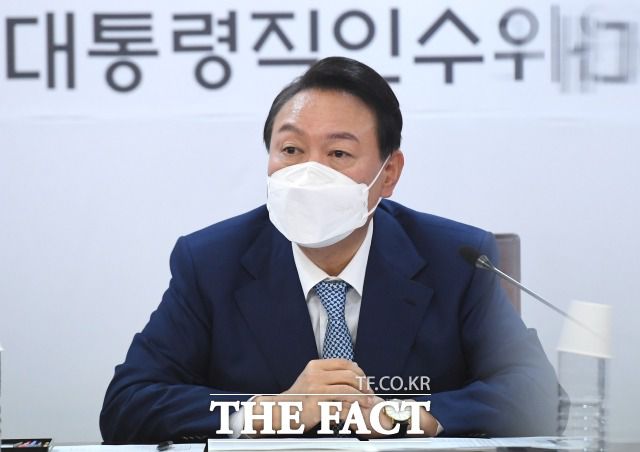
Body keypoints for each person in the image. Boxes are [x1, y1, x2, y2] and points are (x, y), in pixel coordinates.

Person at [100, 56, 561, 443]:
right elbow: (128, 403)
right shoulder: (210, 262)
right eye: (291, 150)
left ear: (388, 174)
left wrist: (412, 417)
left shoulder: (454, 258)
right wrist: (270, 412)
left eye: (338, 154)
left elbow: (539, 395)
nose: (309, 173)